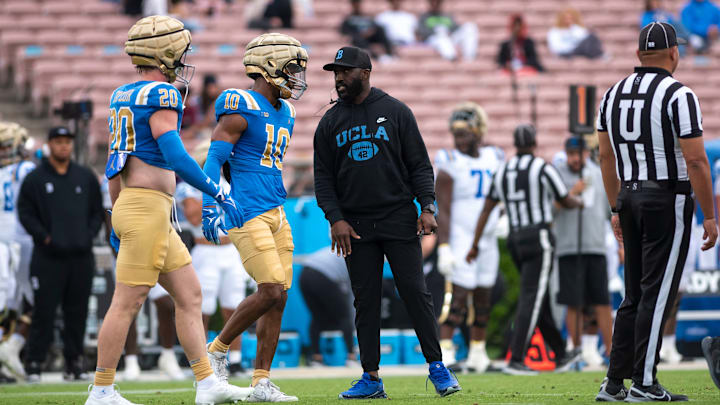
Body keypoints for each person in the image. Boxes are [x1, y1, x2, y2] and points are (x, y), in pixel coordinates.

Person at [86, 15, 251, 405]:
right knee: (127, 300)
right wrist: (216, 190)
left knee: (190, 294)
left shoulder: (120, 94)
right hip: (146, 209)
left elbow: (115, 160)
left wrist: (115, 211)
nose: (182, 59)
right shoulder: (164, 94)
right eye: (179, 51)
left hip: (139, 206)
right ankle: (102, 389)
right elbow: (175, 155)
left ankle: (207, 383)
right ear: (163, 54)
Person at [313, 46, 460, 399]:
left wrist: (427, 206)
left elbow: (420, 166)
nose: (338, 78)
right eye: (335, 72)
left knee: (415, 293)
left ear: (365, 72)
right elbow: (323, 179)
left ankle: (438, 368)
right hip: (355, 225)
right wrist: (335, 219)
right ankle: (371, 377)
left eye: (345, 71)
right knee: (365, 301)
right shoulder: (330, 121)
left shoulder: (395, 111)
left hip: (397, 217)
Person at [594, 22, 717, 401]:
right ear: (674, 53)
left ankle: (614, 383)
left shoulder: (612, 94)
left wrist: (615, 206)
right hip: (667, 197)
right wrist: (710, 215)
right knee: (657, 293)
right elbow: (696, 161)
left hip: (628, 196)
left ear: (638, 55)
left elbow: (605, 155)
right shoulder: (679, 94)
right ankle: (644, 382)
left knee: (633, 294)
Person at [202, 33, 307, 402]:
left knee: (279, 298)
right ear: (268, 67)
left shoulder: (287, 111)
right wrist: (210, 202)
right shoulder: (239, 102)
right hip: (245, 209)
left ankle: (261, 381)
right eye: (292, 68)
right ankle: (216, 349)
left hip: (277, 209)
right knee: (270, 290)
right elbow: (214, 159)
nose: (297, 76)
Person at [466, 124, 583, 376]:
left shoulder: (503, 169)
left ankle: (560, 354)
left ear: (516, 144)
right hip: (538, 236)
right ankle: (517, 358)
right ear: (534, 143)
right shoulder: (541, 167)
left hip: (515, 238)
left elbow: (487, 209)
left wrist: (474, 244)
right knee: (533, 296)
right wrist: (579, 200)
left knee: (537, 297)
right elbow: (564, 199)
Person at [15, 126, 102, 383]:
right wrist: (45, 237)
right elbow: (25, 213)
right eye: (59, 141)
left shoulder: (85, 177)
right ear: (49, 144)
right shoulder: (36, 178)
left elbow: (97, 212)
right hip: (48, 257)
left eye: (67, 142)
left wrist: (88, 235)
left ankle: (74, 362)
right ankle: (34, 361)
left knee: (78, 312)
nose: (64, 146)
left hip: (80, 256)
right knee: (44, 310)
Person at [433, 102, 504, 373]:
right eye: (456, 135)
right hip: (462, 238)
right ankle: (447, 352)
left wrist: (504, 217)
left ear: (478, 132)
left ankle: (478, 353)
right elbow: (445, 208)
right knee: (458, 299)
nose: (459, 141)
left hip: (486, 239)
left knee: (484, 298)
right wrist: (445, 246)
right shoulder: (450, 162)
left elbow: (501, 194)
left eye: (464, 134)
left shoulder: (494, 156)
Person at [179, 143, 250, 378]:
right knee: (203, 308)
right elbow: (191, 215)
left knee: (236, 306)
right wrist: (218, 196)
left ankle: (236, 361)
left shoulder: (230, 182)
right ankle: (200, 360)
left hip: (229, 249)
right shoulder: (190, 185)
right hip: (205, 249)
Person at [552, 136, 613, 366]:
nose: (575, 159)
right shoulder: (557, 174)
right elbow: (550, 210)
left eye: (578, 154)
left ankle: (612, 352)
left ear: (586, 153)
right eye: (570, 154)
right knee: (573, 301)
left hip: (595, 244)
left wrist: (619, 245)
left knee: (602, 301)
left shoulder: (597, 173)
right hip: (569, 246)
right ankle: (575, 351)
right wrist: (570, 194)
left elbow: (609, 210)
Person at [0, 122, 35, 382]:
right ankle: (9, 349)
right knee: (23, 300)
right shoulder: (26, 168)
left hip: (9, 239)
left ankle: (9, 350)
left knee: (10, 301)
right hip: (22, 240)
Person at [298, 248, 356, 367]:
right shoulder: (357, 257)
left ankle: (316, 358)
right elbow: (351, 295)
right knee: (344, 315)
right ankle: (351, 357)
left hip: (304, 275)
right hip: (321, 275)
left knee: (317, 316)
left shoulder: (340, 250)